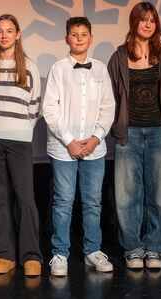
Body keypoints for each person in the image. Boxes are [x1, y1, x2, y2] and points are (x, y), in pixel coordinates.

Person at [108, 2, 161, 271]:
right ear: (134, 22)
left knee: (160, 194)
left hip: (159, 133)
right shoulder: (119, 56)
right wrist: (117, 127)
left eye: (152, 20)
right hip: (129, 133)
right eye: (143, 19)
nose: (148, 24)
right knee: (127, 195)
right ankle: (132, 248)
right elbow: (110, 96)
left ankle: (155, 247)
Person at [42, 16, 116, 277]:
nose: (79, 38)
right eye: (74, 34)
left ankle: (92, 250)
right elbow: (50, 109)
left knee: (93, 202)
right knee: (63, 202)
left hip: (95, 148)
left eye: (84, 34)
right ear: (66, 39)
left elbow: (108, 107)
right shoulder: (58, 69)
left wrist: (96, 138)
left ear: (91, 38)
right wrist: (70, 141)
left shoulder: (100, 69)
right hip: (64, 149)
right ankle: (60, 253)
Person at [0, 14, 43, 276]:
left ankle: (30, 255)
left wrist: (21, 128)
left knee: (25, 197)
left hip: (19, 139)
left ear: (17, 35)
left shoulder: (30, 67)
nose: (3, 35)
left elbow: (34, 106)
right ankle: (3, 254)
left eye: (8, 31)